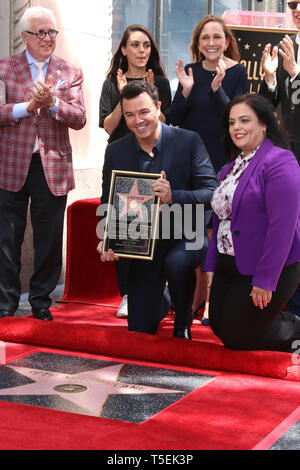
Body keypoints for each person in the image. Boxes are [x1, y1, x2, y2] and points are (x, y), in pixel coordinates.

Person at [97, 80, 217, 339]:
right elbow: (108, 200)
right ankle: (161, 301)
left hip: (186, 235)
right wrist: (108, 238)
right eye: (129, 115)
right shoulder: (116, 151)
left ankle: (183, 319)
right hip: (141, 244)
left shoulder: (188, 141)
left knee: (177, 263)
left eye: (143, 112)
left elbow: (213, 193)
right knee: (140, 329)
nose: (137, 120)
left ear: (158, 107)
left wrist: (174, 196)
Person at [0, 7, 86, 320]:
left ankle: (40, 301)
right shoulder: (4, 68)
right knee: (7, 237)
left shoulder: (70, 71)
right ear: (24, 37)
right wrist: (28, 106)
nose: (48, 39)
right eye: (41, 33)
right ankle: (6, 302)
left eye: (52, 33)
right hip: (11, 163)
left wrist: (52, 105)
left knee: (49, 238)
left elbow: (79, 118)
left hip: (53, 166)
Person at [204, 93, 300, 353]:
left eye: (244, 120)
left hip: (267, 266)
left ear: (264, 124)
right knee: (219, 327)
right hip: (229, 263)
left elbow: (283, 226)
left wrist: (265, 279)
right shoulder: (230, 168)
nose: (237, 127)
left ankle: (295, 327)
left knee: (237, 338)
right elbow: (220, 219)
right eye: (232, 122)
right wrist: (211, 266)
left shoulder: (280, 161)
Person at [169, 15, 248, 324]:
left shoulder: (237, 71)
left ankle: (211, 302)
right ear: (198, 43)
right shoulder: (188, 72)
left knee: (216, 235)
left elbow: (238, 119)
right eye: (205, 38)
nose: (211, 43)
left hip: (222, 163)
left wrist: (217, 91)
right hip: (188, 163)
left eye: (217, 37)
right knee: (190, 235)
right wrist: (187, 90)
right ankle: (190, 300)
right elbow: (174, 118)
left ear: (227, 41)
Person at [99, 24, 172, 318]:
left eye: (146, 46)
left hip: (154, 157)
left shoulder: (162, 82)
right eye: (135, 45)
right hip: (121, 157)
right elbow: (108, 125)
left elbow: (167, 122)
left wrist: (150, 99)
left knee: (155, 223)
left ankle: (158, 287)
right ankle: (127, 294)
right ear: (124, 50)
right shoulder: (110, 83)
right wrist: (121, 96)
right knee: (122, 223)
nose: (142, 51)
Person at [260, 1, 300, 319]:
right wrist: (272, 80)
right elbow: (274, 107)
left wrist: (296, 75)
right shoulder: (290, 46)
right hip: (289, 156)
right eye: (292, 4)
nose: (297, 9)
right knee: (291, 229)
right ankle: (293, 306)